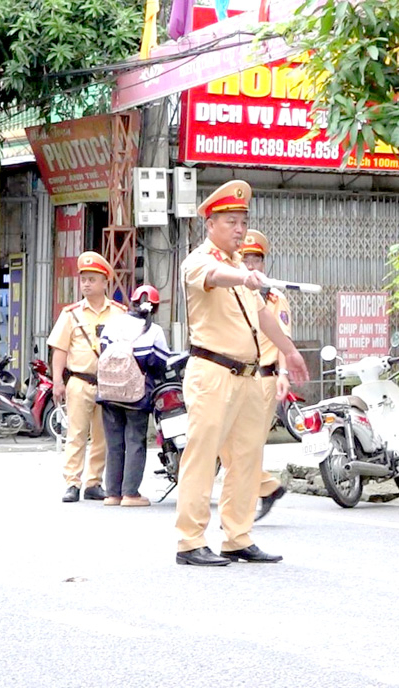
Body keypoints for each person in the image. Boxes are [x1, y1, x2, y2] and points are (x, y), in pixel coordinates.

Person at [176, 180, 309, 567]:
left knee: (248, 459)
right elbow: (214, 277)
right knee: (202, 458)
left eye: (243, 221)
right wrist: (243, 277)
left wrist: (289, 351)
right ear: (211, 224)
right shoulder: (199, 260)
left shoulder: (240, 267)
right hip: (212, 372)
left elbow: (263, 315)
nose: (239, 229)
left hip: (250, 377)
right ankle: (190, 541)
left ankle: (237, 536)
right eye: (231, 221)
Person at [47, 252, 126, 503]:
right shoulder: (71, 314)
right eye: (83, 280)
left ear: (105, 283)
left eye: (92, 279)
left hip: (109, 383)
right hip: (79, 382)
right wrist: (57, 382)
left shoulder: (119, 313)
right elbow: (60, 349)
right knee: (77, 433)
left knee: (103, 435)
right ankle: (72, 482)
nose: (86, 284)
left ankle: (94, 482)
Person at [236, 229, 295, 522]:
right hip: (238, 376)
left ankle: (245, 509)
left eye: (255, 260)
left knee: (251, 443)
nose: (250, 266)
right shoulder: (233, 294)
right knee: (235, 442)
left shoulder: (274, 298)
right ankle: (268, 487)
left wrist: (284, 372)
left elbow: (283, 338)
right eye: (245, 259)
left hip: (265, 376)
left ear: (263, 263)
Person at [96, 285, 170, 507]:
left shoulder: (113, 323)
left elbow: (103, 352)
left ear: (133, 302)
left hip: (108, 392)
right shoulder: (154, 331)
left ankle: (112, 494)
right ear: (154, 308)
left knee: (114, 443)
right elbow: (160, 364)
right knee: (135, 440)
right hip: (137, 395)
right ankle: (130, 494)